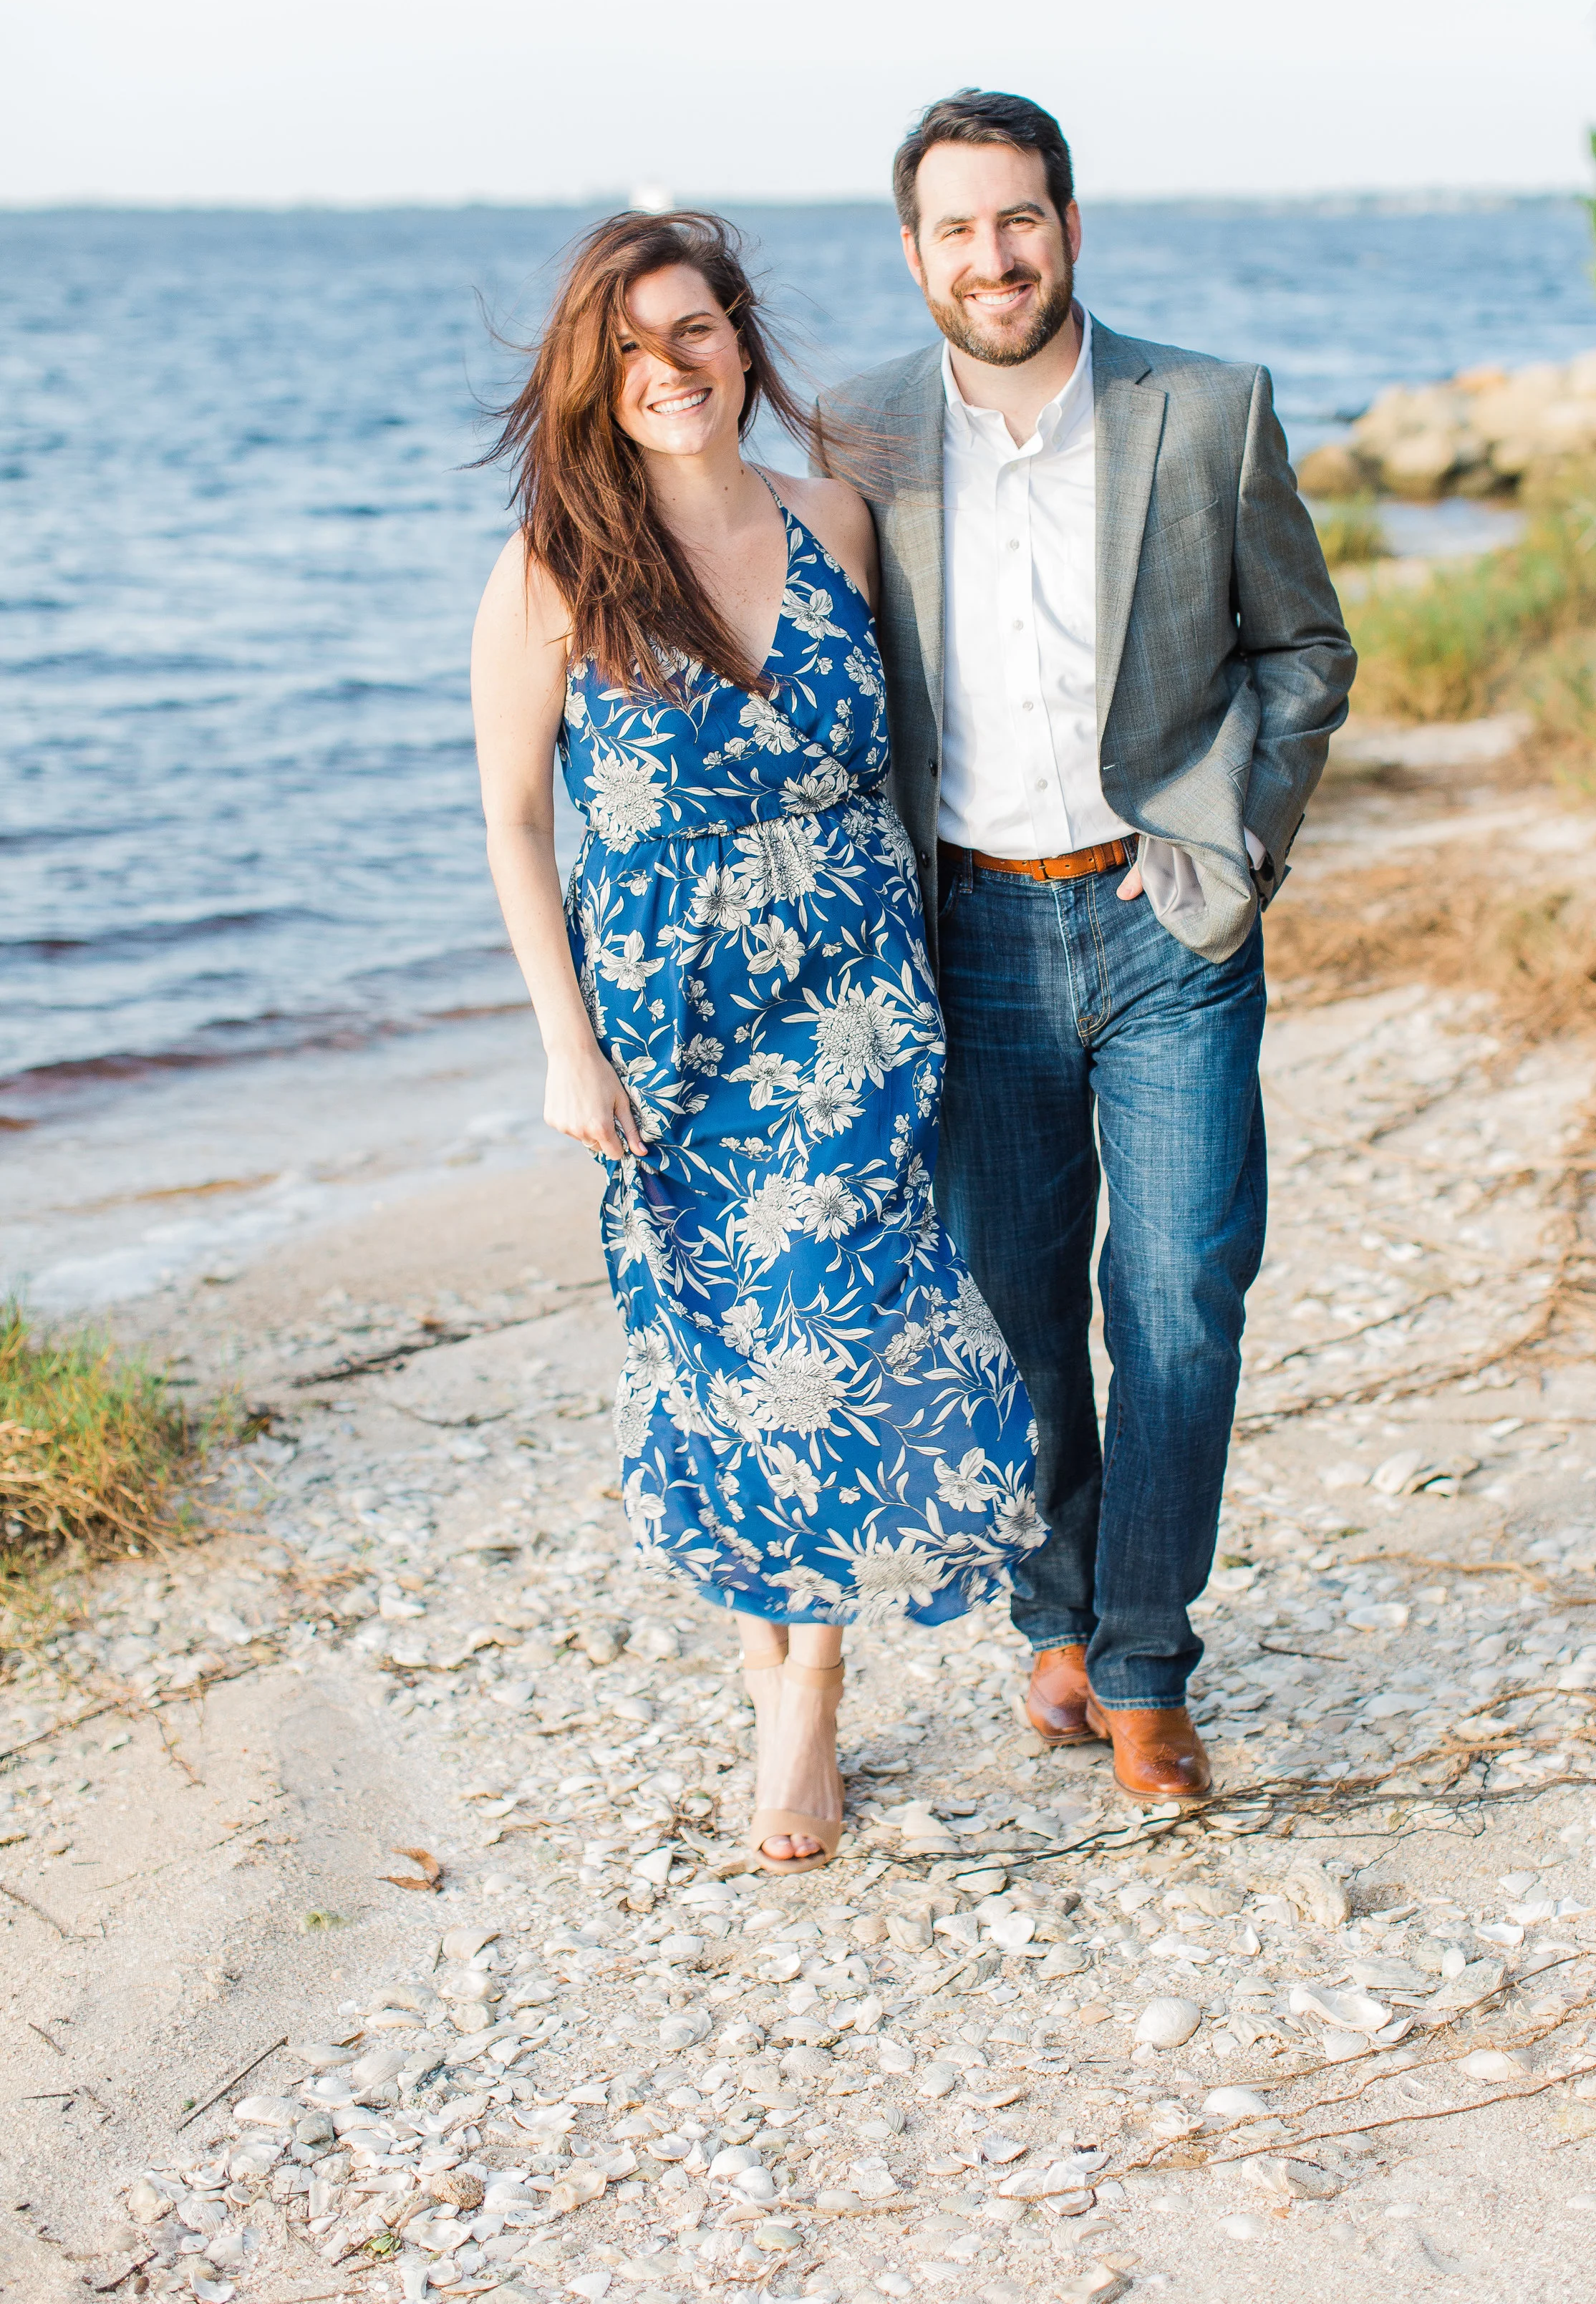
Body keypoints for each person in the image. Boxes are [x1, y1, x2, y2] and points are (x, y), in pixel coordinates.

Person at [469, 210, 1040, 1875]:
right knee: (717, 1367)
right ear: (595, 376)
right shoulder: (551, 570)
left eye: (696, 333)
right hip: (664, 1033)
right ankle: (776, 1679)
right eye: (633, 348)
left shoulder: (837, 526)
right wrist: (563, 1047)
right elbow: (513, 825)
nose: (671, 371)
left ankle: (815, 1690)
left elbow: (908, 759)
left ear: (741, 340)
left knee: (841, 1333)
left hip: (853, 1010)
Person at [814, 92, 1356, 1804]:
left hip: (1162, 923)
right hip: (966, 928)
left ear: (1069, 224)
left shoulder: (1202, 408)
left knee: (1181, 1298)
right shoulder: (856, 439)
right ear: (914, 256)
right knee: (1019, 1317)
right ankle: (1055, 1618)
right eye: (958, 229)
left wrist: (1236, 841)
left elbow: (1304, 648)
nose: (994, 256)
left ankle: (1142, 1662)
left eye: (1019, 218)